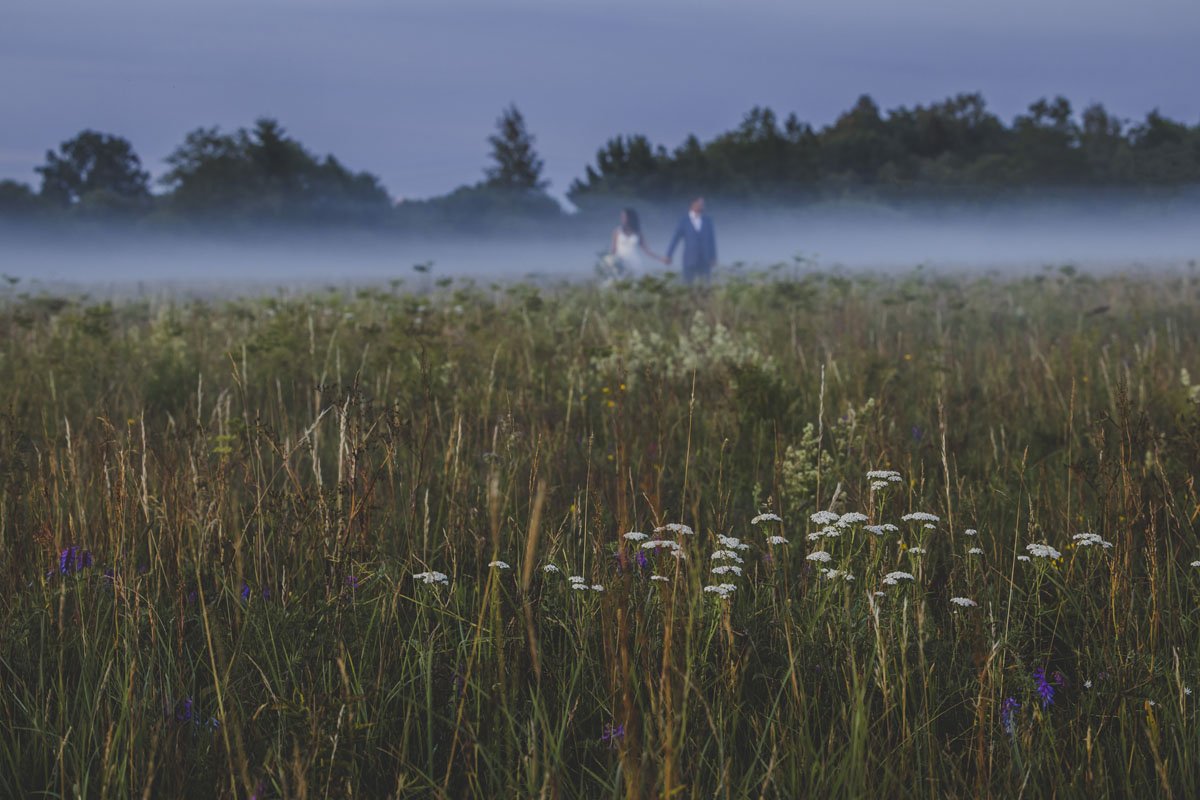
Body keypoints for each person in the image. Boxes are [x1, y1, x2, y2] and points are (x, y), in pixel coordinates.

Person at [666, 196, 717, 283]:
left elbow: (712, 240)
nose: (702, 206)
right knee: (688, 284)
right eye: (700, 204)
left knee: (705, 285)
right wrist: (669, 255)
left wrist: (713, 257)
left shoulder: (707, 220)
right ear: (693, 204)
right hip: (690, 259)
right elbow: (676, 239)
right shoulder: (684, 221)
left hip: (705, 260)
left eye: (703, 204)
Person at [606, 207, 667, 279]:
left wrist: (660, 258)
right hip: (621, 262)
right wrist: (608, 262)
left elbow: (647, 251)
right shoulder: (617, 232)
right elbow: (613, 249)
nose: (622, 219)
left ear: (630, 218)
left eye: (624, 217)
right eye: (621, 217)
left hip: (634, 262)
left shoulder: (637, 233)